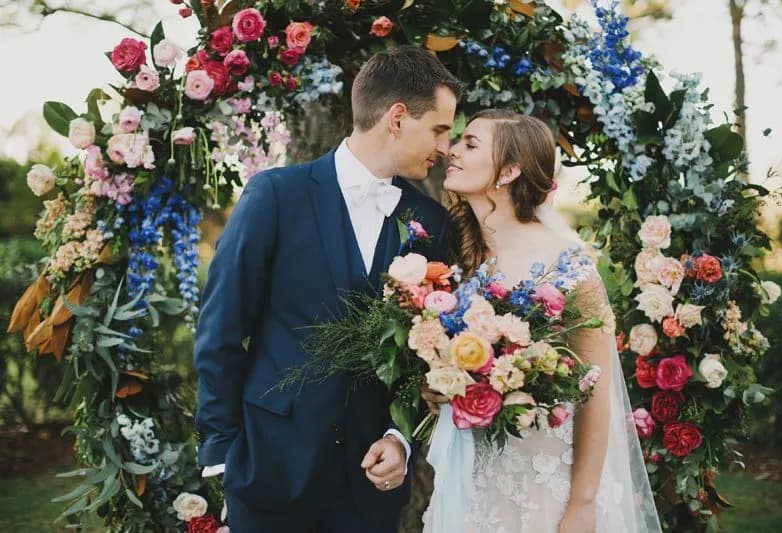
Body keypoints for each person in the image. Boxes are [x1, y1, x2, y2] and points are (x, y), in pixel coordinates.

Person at [193, 46, 462, 533]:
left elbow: (425, 355)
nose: (444, 147)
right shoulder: (275, 195)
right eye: (439, 129)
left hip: (370, 489)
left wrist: (400, 438)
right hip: (269, 472)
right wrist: (223, 453)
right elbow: (221, 329)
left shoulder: (429, 221)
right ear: (398, 118)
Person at [421, 109, 662, 532]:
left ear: (510, 170)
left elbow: (596, 393)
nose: (451, 151)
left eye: (470, 144)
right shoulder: (462, 260)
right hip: (474, 474)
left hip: (545, 480)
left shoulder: (566, 266)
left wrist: (582, 504)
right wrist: (441, 386)